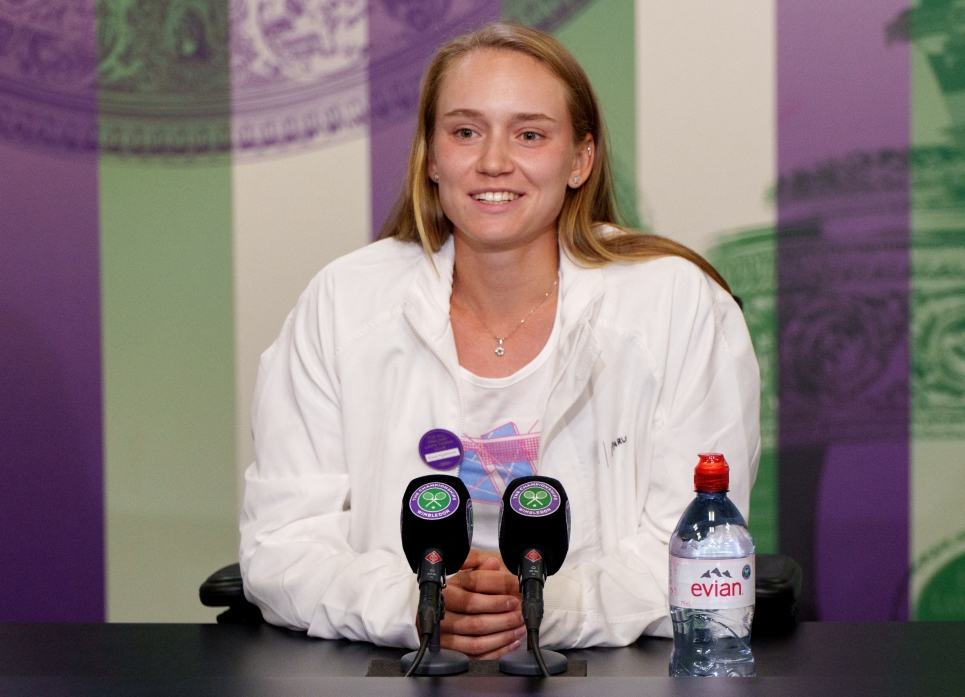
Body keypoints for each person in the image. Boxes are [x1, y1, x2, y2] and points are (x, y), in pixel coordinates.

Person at [240, 23, 760, 659]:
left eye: (529, 134)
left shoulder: (677, 304)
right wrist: (416, 606)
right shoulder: (341, 302)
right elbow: (281, 546)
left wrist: (545, 607)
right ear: (431, 157)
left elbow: (697, 550)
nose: (493, 161)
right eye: (465, 132)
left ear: (580, 160)